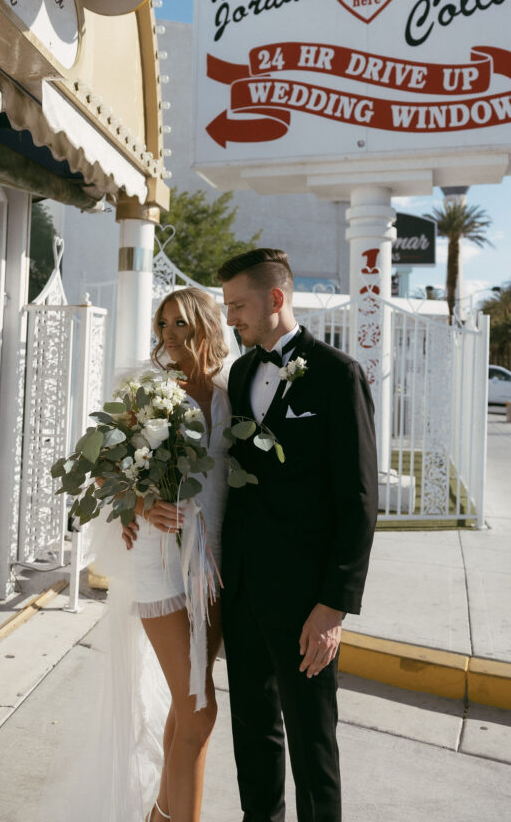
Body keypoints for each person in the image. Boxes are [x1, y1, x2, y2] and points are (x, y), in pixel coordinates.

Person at [217, 248, 378, 822]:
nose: (230, 317)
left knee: (312, 742)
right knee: (253, 733)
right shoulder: (239, 373)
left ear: (275, 300)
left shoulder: (338, 375)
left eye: (238, 305)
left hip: (306, 600)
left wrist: (333, 604)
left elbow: (359, 501)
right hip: (240, 590)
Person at [112, 287, 233, 822]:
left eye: (181, 323)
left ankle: (161, 818)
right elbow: (103, 475)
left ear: (207, 324)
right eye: (164, 324)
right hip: (160, 560)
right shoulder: (145, 389)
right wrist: (142, 500)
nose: (170, 335)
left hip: (214, 563)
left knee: (188, 714)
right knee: (200, 713)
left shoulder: (233, 391)